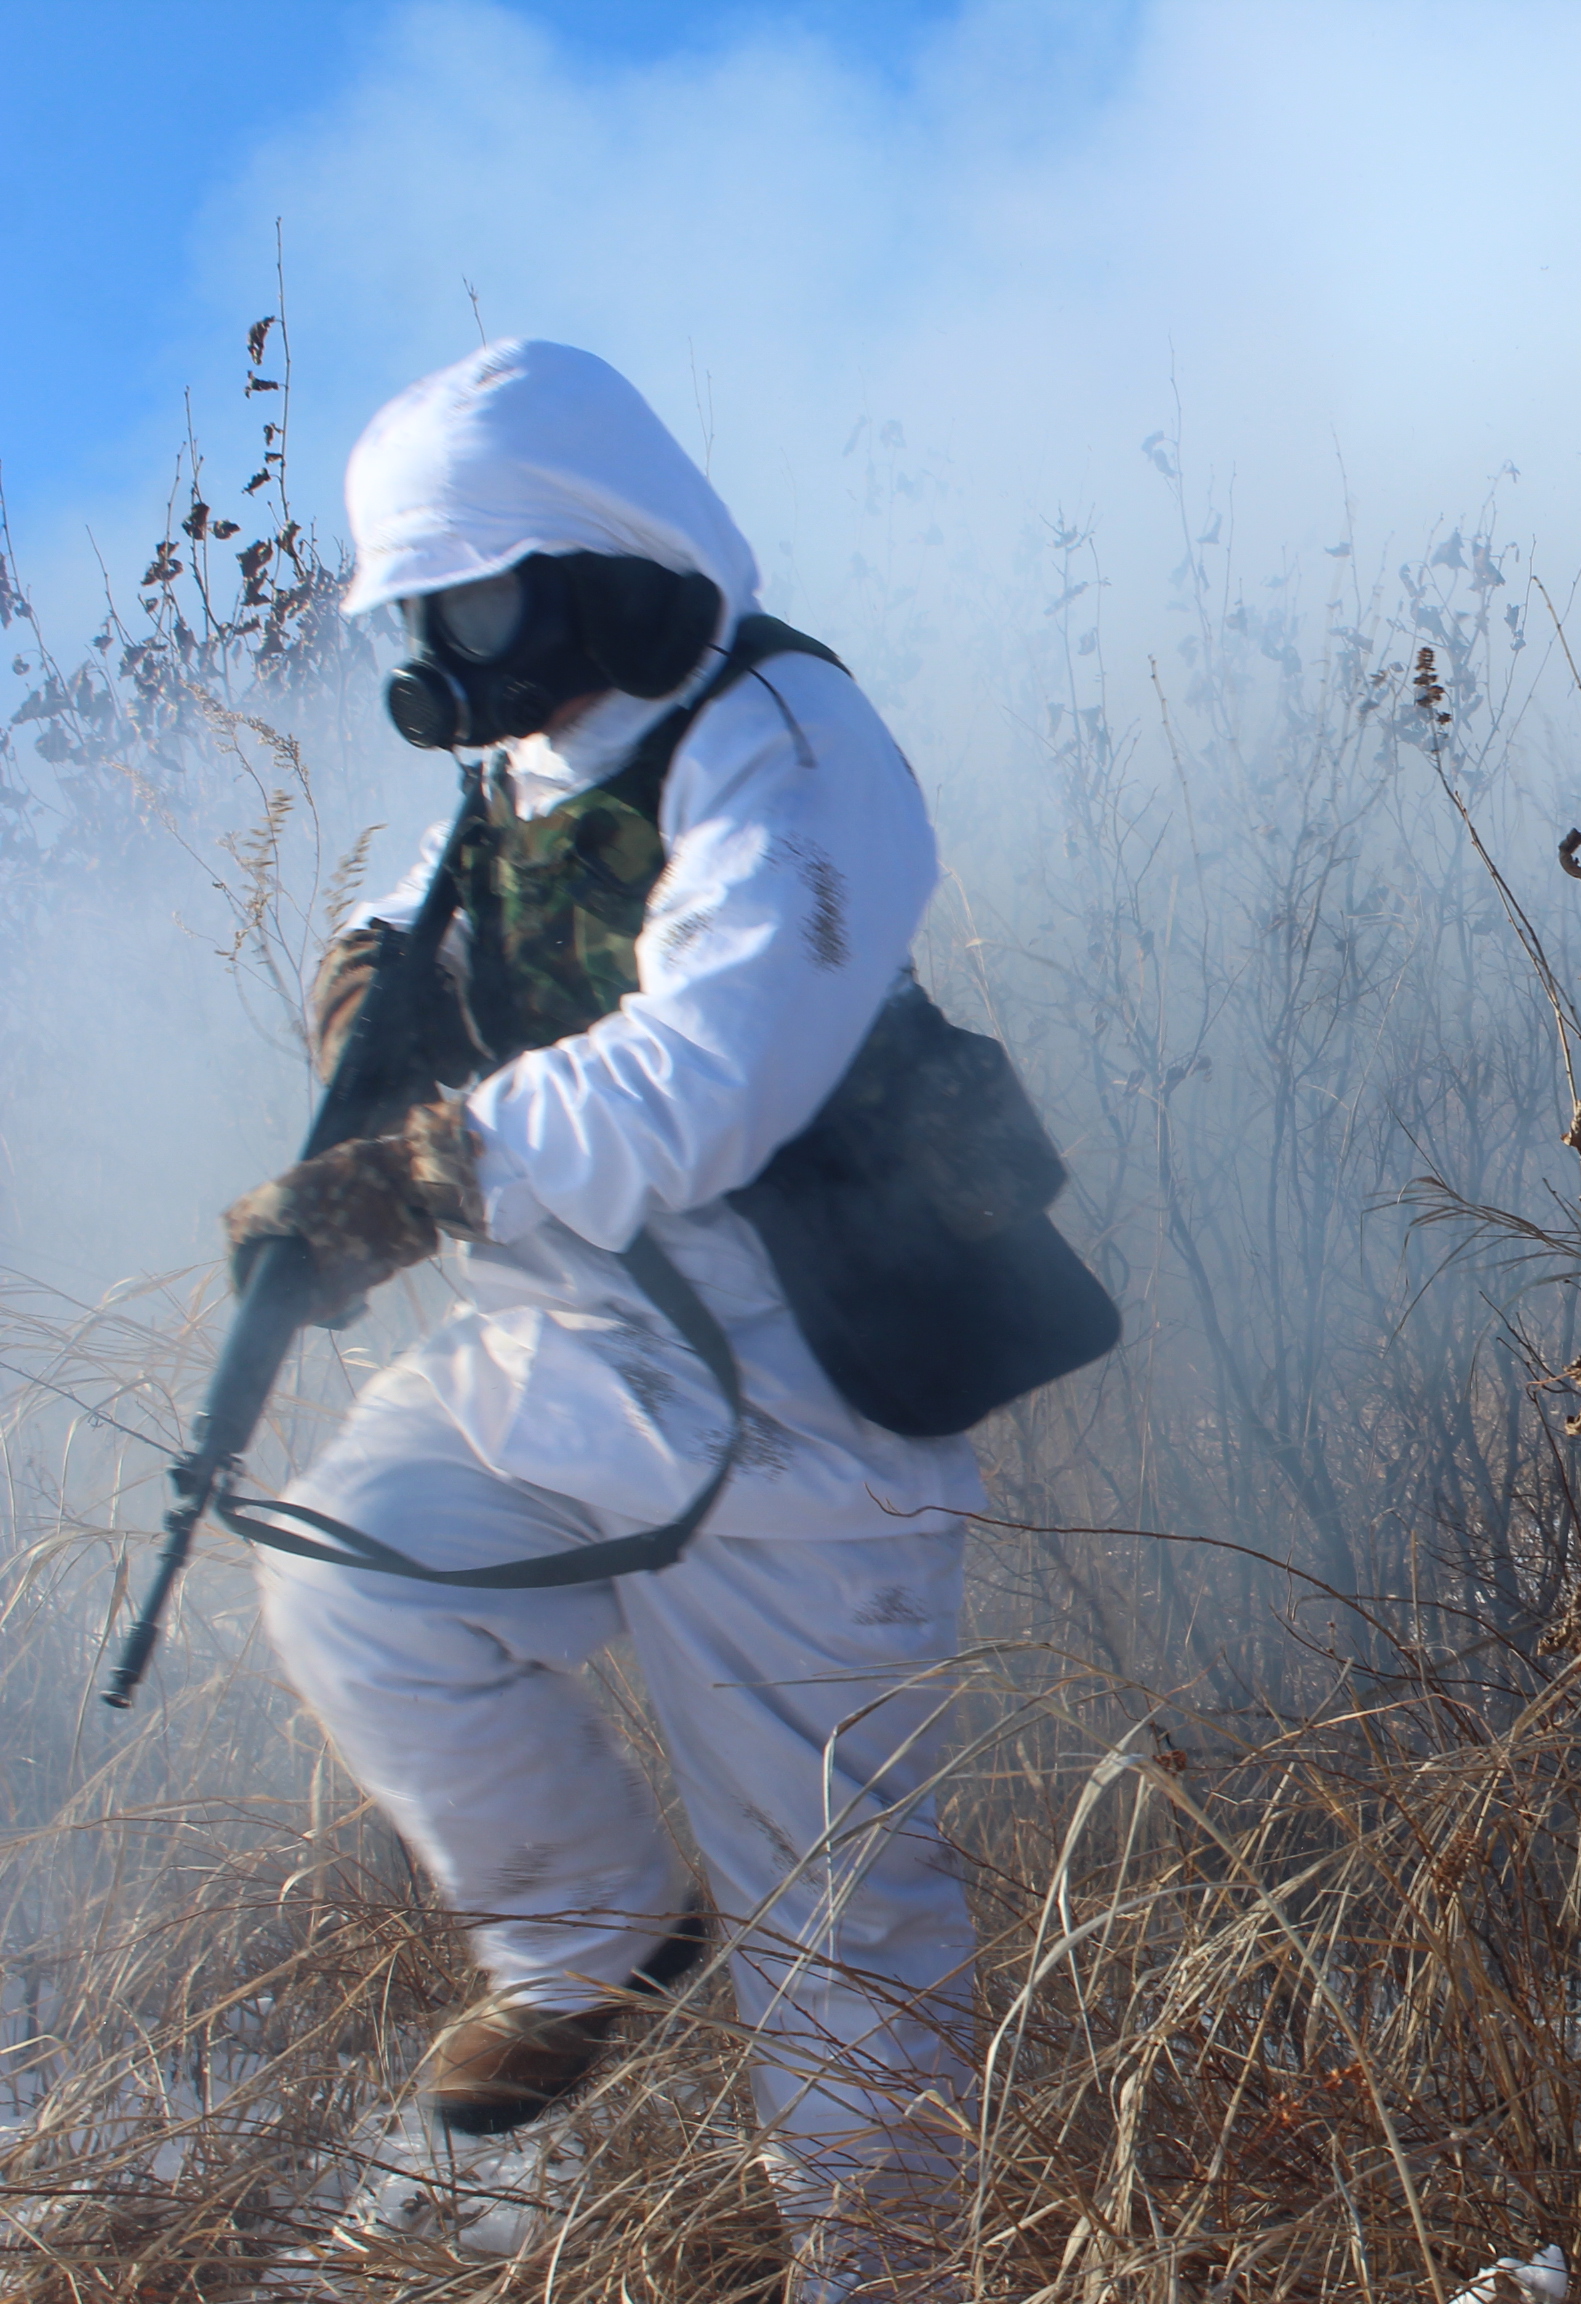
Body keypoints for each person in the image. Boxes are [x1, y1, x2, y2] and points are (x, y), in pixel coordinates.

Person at [222, 339, 982, 2299]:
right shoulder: (531, 741)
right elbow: (432, 882)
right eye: (422, 623)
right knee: (343, 1573)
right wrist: (367, 985)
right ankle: (587, 1934)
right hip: (584, 1338)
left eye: (473, 608)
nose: (453, 669)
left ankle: (878, 2271)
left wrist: (412, 1178)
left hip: (816, 1387)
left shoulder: (782, 740)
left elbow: (708, 1074)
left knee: (836, 1921)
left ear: (598, 559)